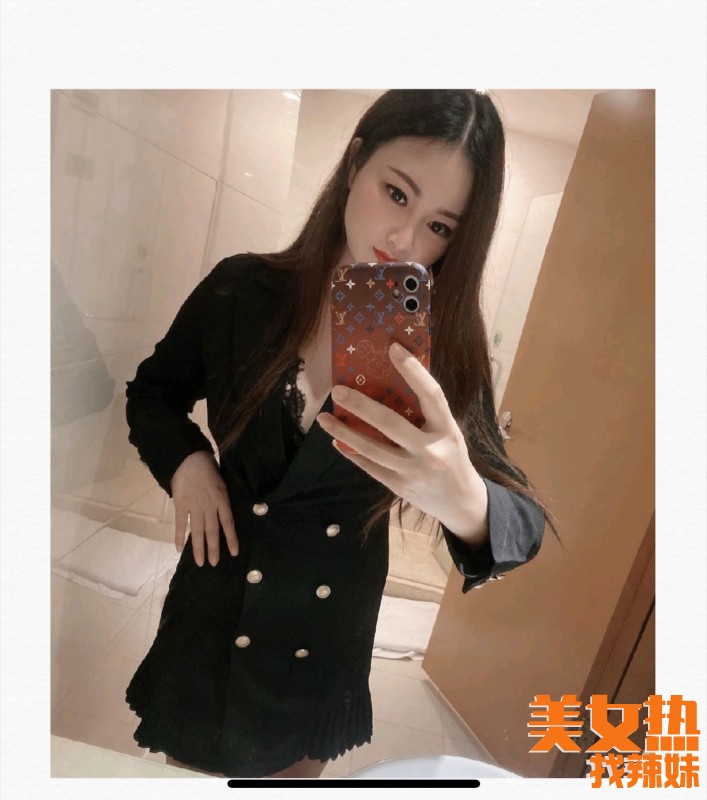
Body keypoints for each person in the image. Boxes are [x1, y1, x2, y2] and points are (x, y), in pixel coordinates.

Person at [124, 89, 550, 779]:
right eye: (396, 193)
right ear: (355, 164)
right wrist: (187, 464)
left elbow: (523, 525)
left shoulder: (440, 349)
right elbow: (152, 395)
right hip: (217, 595)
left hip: (317, 637)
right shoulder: (243, 290)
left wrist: (463, 498)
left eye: (440, 226)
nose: (405, 240)